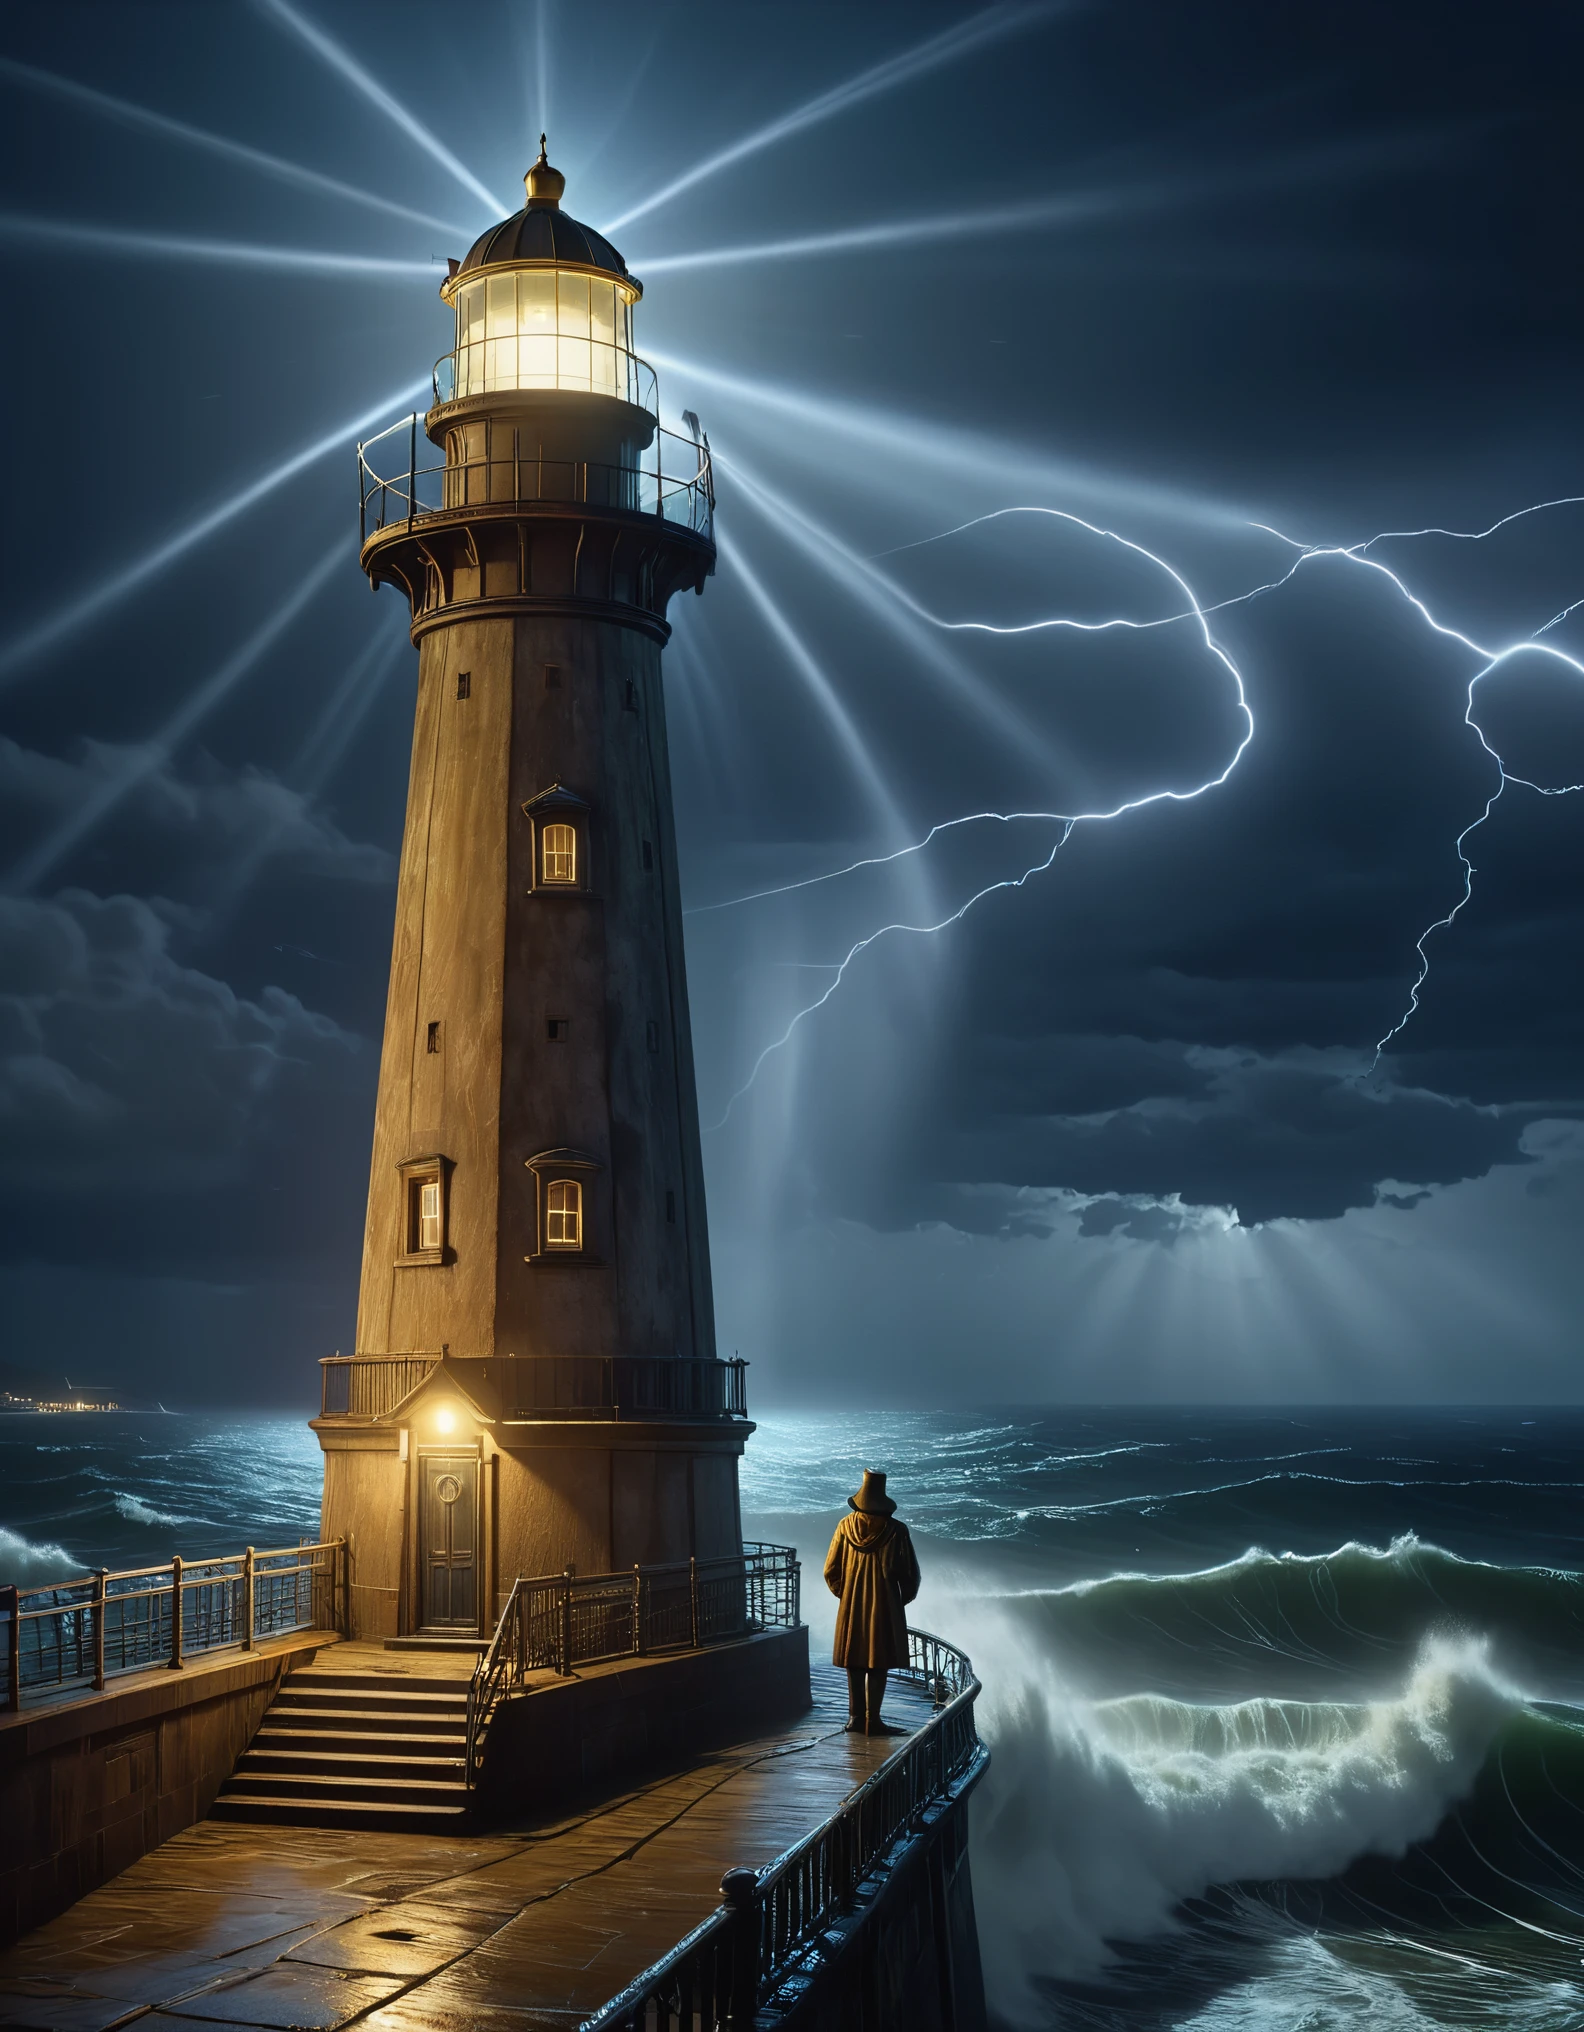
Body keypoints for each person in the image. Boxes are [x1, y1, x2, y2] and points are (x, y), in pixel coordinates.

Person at [823, 1468, 921, 1735]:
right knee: (879, 1661)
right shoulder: (897, 1531)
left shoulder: (844, 1526)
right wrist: (898, 1601)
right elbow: (911, 1575)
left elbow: (830, 1570)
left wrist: (846, 1596)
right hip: (885, 1607)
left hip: (851, 1607)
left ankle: (855, 1718)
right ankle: (873, 1719)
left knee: (854, 1661)